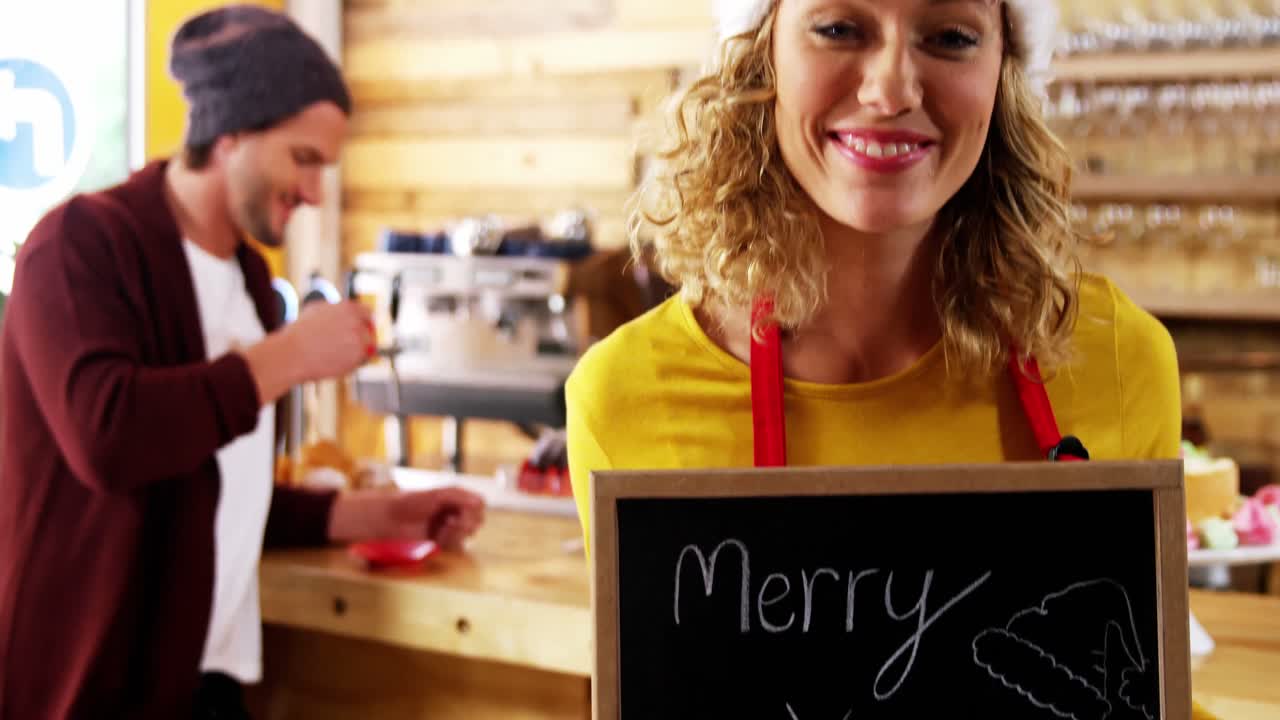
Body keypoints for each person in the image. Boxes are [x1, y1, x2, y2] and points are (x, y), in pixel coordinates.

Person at [0, 6, 484, 719]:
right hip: (88, 687)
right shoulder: (79, 245)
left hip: (205, 681)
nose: (317, 191)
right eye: (304, 157)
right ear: (230, 134)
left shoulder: (249, 282)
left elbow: (213, 493)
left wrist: (384, 513)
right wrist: (283, 357)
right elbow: (107, 438)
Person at [567, 0, 1182, 543]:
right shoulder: (625, 403)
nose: (890, 92)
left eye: (950, 37)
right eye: (838, 27)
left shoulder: (1123, 364)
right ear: (761, 55)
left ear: (1005, 71)